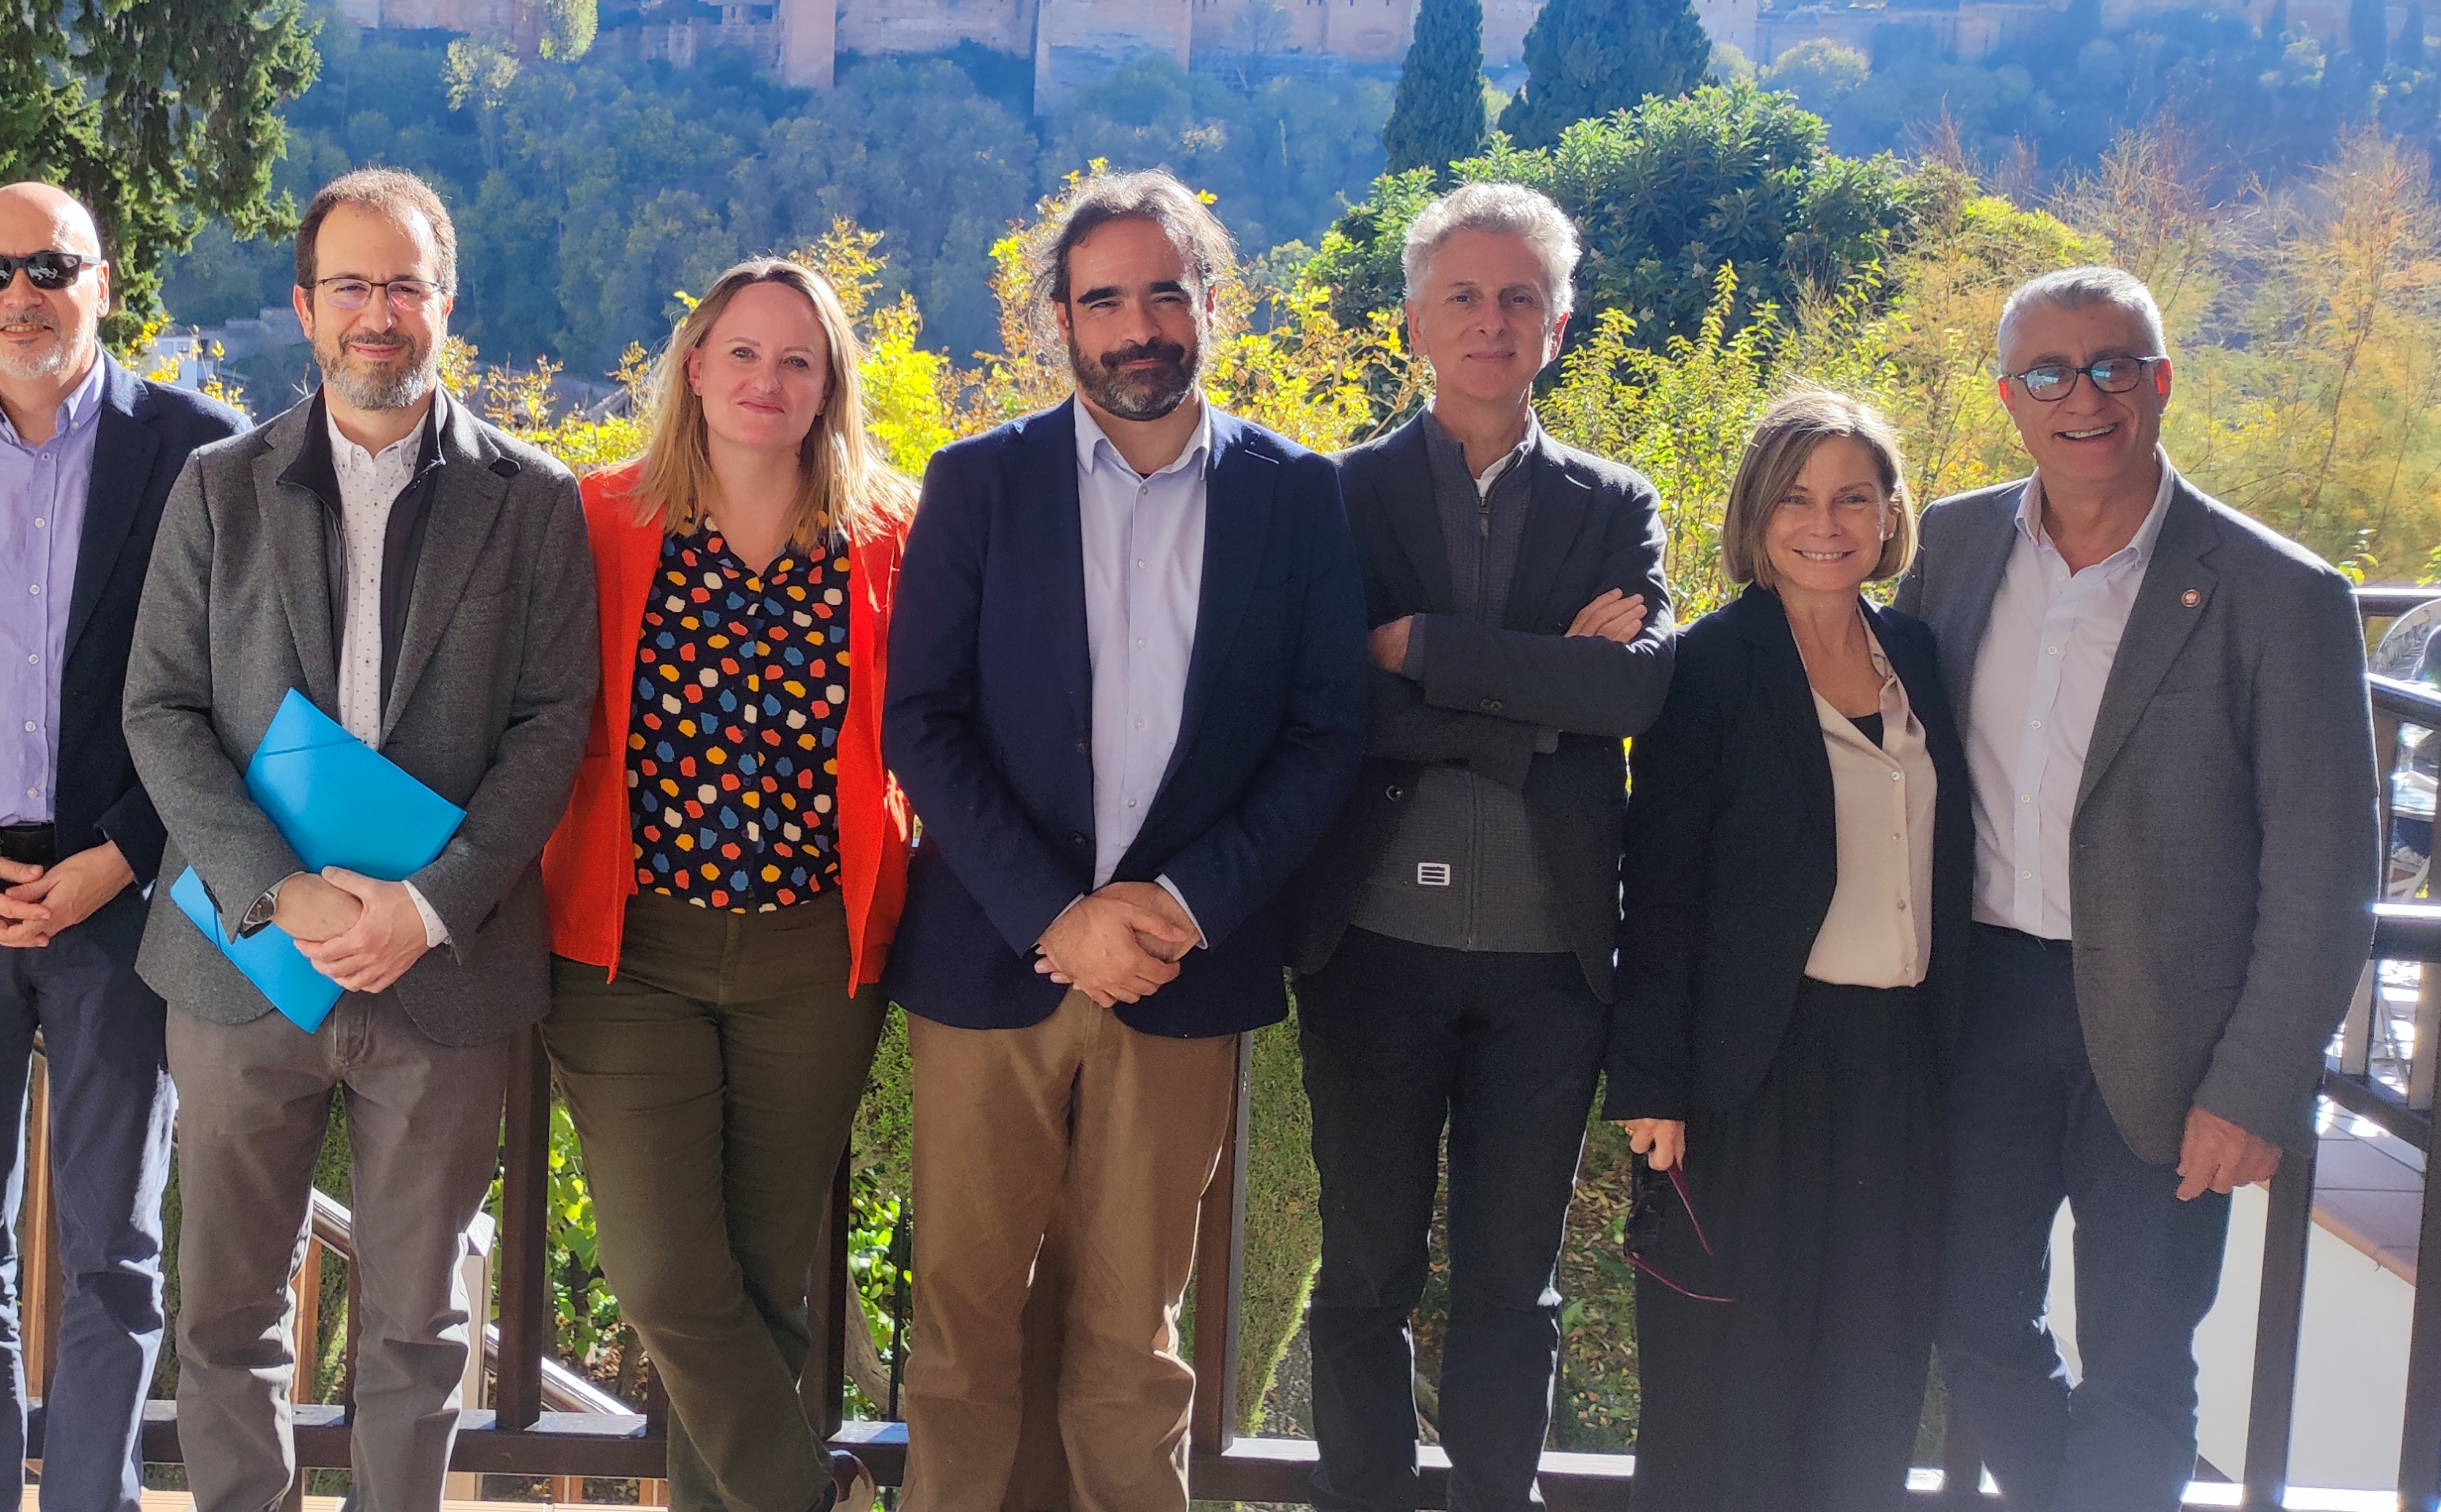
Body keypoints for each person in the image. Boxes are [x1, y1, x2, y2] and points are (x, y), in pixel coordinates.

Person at [884, 168, 1369, 1512]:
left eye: (1168, 290)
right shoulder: (980, 484)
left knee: (1134, 1342)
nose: (1140, 324)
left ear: (1211, 302)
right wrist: (1058, 914)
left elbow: (1328, 735)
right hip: (993, 965)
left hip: (1184, 972)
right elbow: (919, 721)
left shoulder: (1296, 495)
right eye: (1106, 300)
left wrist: (1179, 906)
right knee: (962, 1334)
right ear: (1063, 321)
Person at [122, 167, 598, 1512]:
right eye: (351, 286)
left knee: (419, 1327)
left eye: (404, 285)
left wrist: (428, 908)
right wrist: (277, 888)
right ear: (305, 306)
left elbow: (553, 726)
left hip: (445, 974)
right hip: (245, 961)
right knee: (220, 1317)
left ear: (445, 302)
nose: (377, 312)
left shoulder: (533, 498)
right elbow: (156, 708)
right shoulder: (218, 487)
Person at [1901, 265, 2376, 1512]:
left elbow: (2327, 871)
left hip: (2176, 1036)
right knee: (1967, 1316)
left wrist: (2258, 1083)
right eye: (2050, 372)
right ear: (2010, 397)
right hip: (1980, 1008)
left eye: (2115, 365)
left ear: (2161, 382)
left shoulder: (2284, 595)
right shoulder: (1949, 546)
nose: (2085, 397)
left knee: (2140, 1357)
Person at [0, 183, 248, 1512]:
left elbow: (232, 693)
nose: (18, 294)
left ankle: (95, 1500)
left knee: (114, 1253)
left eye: (48, 266)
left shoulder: (202, 450)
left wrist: (126, 854)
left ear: (102, 279)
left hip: (124, 906)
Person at [1288, 181, 1676, 1512]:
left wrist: (1436, 657)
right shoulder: (1334, 498)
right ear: (1414, 322)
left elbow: (1629, 695)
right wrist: (1533, 698)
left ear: (1558, 326)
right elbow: (1335, 699)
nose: (1492, 319)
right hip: (1371, 950)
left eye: (1520, 297)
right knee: (1365, 1276)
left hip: (1548, 963)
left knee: (1516, 1285)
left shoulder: (1615, 505)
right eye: (1464, 294)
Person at [541, 257, 918, 1512]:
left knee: (765, 1281)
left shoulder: (891, 540)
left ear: (830, 388)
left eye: (796, 360)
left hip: (816, 959)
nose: (767, 380)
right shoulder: (594, 517)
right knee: (663, 1277)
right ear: (694, 366)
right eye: (742, 353)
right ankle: (804, 1497)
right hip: (628, 953)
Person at [1604, 390, 1974, 1510]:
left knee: (1873, 1363)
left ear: (1889, 515)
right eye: (1799, 498)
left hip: (1902, 1063)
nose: (1828, 522)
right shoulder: (1711, 667)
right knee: (1731, 1377)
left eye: (1854, 497)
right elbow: (1657, 885)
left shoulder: (1918, 652)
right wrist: (1652, 1084)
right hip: (1754, 1065)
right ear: (1758, 514)